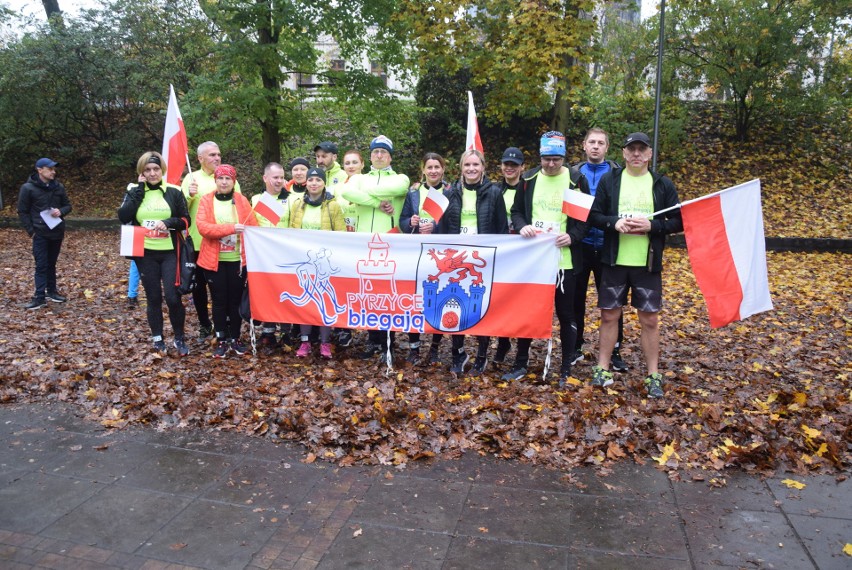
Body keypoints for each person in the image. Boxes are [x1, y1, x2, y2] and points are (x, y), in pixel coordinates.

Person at [588, 132, 683, 398]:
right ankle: (602, 368)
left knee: (649, 319)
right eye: (632, 149)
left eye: (642, 149)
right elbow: (594, 215)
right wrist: (613, 223)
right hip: (614, 260)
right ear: (624, 153)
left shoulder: (661, 184)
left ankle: (653, 374)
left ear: (649, 154)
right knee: (609, 315)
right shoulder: (611, 181)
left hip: (647, 263)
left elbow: (678, 221)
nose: (637, 154)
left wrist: (653, 226)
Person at [508, 131, 591, 386]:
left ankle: (566, 367)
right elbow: (517, 211)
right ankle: (521, 362)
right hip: (535, 260)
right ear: (540, 157)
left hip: (564, 259)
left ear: (564, 157)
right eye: (547, 159)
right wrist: (522, 226)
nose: (551, 164)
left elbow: (585, 220)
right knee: (528, 311)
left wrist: (573, 237)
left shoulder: (576, 180)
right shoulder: (529, 179)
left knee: (567, 314)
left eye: (556, 159)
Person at [439, 148, 509, 376]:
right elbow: (442, 227)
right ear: (461, 168)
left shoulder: (495, 193)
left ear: (483, 168)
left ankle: (481, 355)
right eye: (467, 165)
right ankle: (458, 353)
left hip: (482, 260)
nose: (471, 169)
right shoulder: (451, 193)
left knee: (480, 306)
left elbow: (501, 229)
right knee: (455, 304)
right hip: (456, 260)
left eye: (475, 165)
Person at [342, 135, 410, 361]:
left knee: (388, 294)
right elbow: (347, 192)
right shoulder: (360, 178)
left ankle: (389, 342)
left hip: (390, 243)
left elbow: (400, 187)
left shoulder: (400, 177)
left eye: (383, 152)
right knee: (368, 293)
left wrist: (366, 195)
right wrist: (377, 202)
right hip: (364, 243)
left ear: (390, 156)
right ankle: (373, 340)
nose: (379, 155)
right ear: (370, 156)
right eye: (375, 152)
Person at [117, 152, 190, 354]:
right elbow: (123, 216)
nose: (152, 173)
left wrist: (168, 223)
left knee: (173, 297)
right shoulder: (134, 190)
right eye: (147, 170)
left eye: (156, 169)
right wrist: (139, 190)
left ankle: (179, 337)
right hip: (145, 252)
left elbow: (186, 220)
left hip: (169, 253)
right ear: (142, 172)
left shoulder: (174, 191)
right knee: (153, 297)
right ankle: (158, 338)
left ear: (162, 170)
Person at [571, 128, 627, 372]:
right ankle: (575, 345)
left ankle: (614, 350)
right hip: (579, 245)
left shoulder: (617, 174)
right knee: (575, 299)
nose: (595, 146)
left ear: (607, 147)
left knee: (613, 302)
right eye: (591, 142)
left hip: (607, 245)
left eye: (600, 143)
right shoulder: (573, 173)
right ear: (584, 145)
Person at [195, 164, 257, 358]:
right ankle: (221, 339)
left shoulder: (241, 200)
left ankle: (236, 338)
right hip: (214, 260)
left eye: (228, 179)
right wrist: (230, 228)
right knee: (219, 300)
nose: (224, 182)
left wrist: (242, 229)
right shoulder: (207, 200)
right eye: (220, 178)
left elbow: (252, 225)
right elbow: (203, 228)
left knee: (235, 300)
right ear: (215, 181)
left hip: (237, 260)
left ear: (234, 181)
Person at [182, 141, 241, 344]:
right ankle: (204, 324)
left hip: (228, 247)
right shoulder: (192, 178)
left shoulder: (229, 177)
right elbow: (181, 209)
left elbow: (240, 207)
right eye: (212, 155)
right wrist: (189, 195)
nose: (217, 158)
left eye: (218, 154)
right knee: (199, 288)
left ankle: (225, 326)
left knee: (226, 291)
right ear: (200, 159)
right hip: (199, 244)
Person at [288, 167, 346, 359]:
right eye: (311, 180)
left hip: (323, 262)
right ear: (306, 183)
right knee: (306, 300)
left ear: (324, 183)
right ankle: (305, 342)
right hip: (303, 260)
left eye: (318, 180)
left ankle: (325, 343)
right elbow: (290, 230)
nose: (314, 183)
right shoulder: (297, 205)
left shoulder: (333, 206)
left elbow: (341, 233)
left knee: (323, 302)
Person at [399, 152, 451, 365]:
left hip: (440, 255)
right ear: (423, 170)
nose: (433, 171)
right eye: (429, 167)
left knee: (439, 299)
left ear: (443, 169)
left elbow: (453, 223)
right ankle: (414, 347)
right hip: (416, 254)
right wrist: (410, 222)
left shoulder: (451, 192)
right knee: (415, 300)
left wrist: (436, 227)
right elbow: (402, 222)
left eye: (436, 167)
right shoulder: (413, 194)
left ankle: (435, 348)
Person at [18, 157, 72, 310]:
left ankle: (52, 292)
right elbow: (22, 211)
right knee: (41, 265)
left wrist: (60, 211)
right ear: (39, 170)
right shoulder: (28, 188)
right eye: (50, 169)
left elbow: (68, 205)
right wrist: (31, 231)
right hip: (39, 233)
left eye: (54, 169)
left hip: (56, 231)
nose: (53, 172)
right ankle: (39, 296)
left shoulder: (59, 187)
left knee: (51, 264)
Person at [491, 147, 526, 364]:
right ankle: (503, 341)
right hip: (502, 252)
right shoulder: (496, 190)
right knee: (501, 298)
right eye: (506, 164)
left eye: (514, 165)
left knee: (521, 299)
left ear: (522, 167)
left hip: (525, 252)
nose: (510, 168)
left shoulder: (528, 188)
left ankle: (523, 348)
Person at [252, 162, 291, 348]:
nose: (279, 181)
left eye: (282, 177)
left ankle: (286, 330)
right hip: (262, 256)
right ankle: (267, 331)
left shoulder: (292, 200)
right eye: (275, 177)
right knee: (266, 292)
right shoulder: (255, 199)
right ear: (265, 178)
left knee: (284, 292)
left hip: (284, 255)